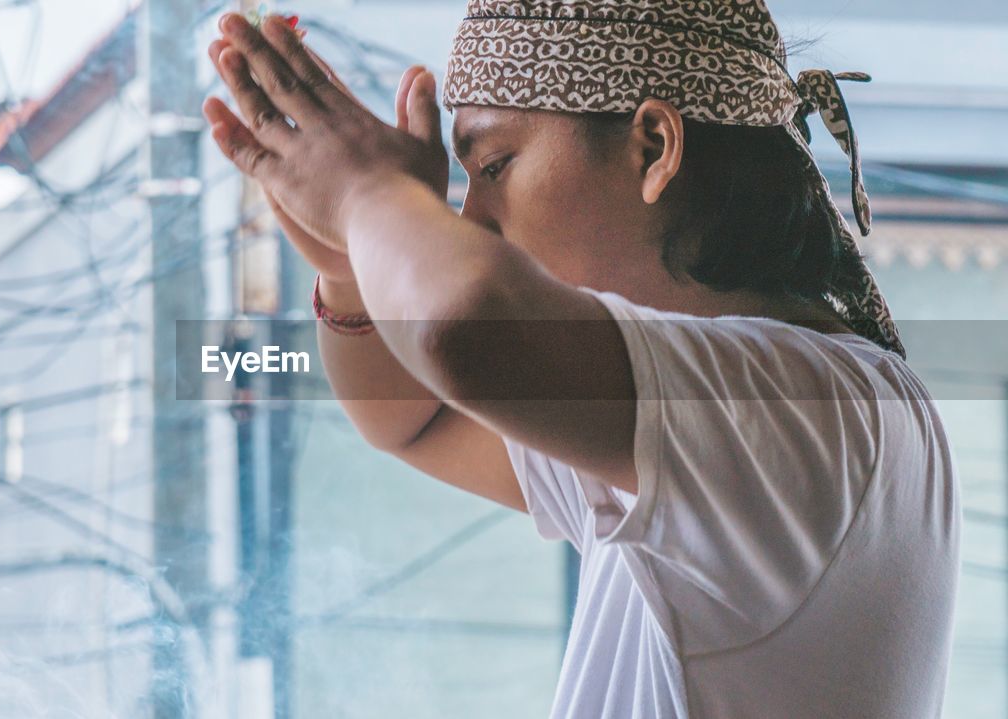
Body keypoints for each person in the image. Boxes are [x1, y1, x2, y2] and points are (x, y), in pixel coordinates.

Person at [202, 1, 960, 717]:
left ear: (653, 149)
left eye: (493, 166)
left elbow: (461, 329)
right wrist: (347, 269)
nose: (472, 220)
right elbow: (410, 417)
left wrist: (371, 197)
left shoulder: (807, 414)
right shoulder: (718, 416)